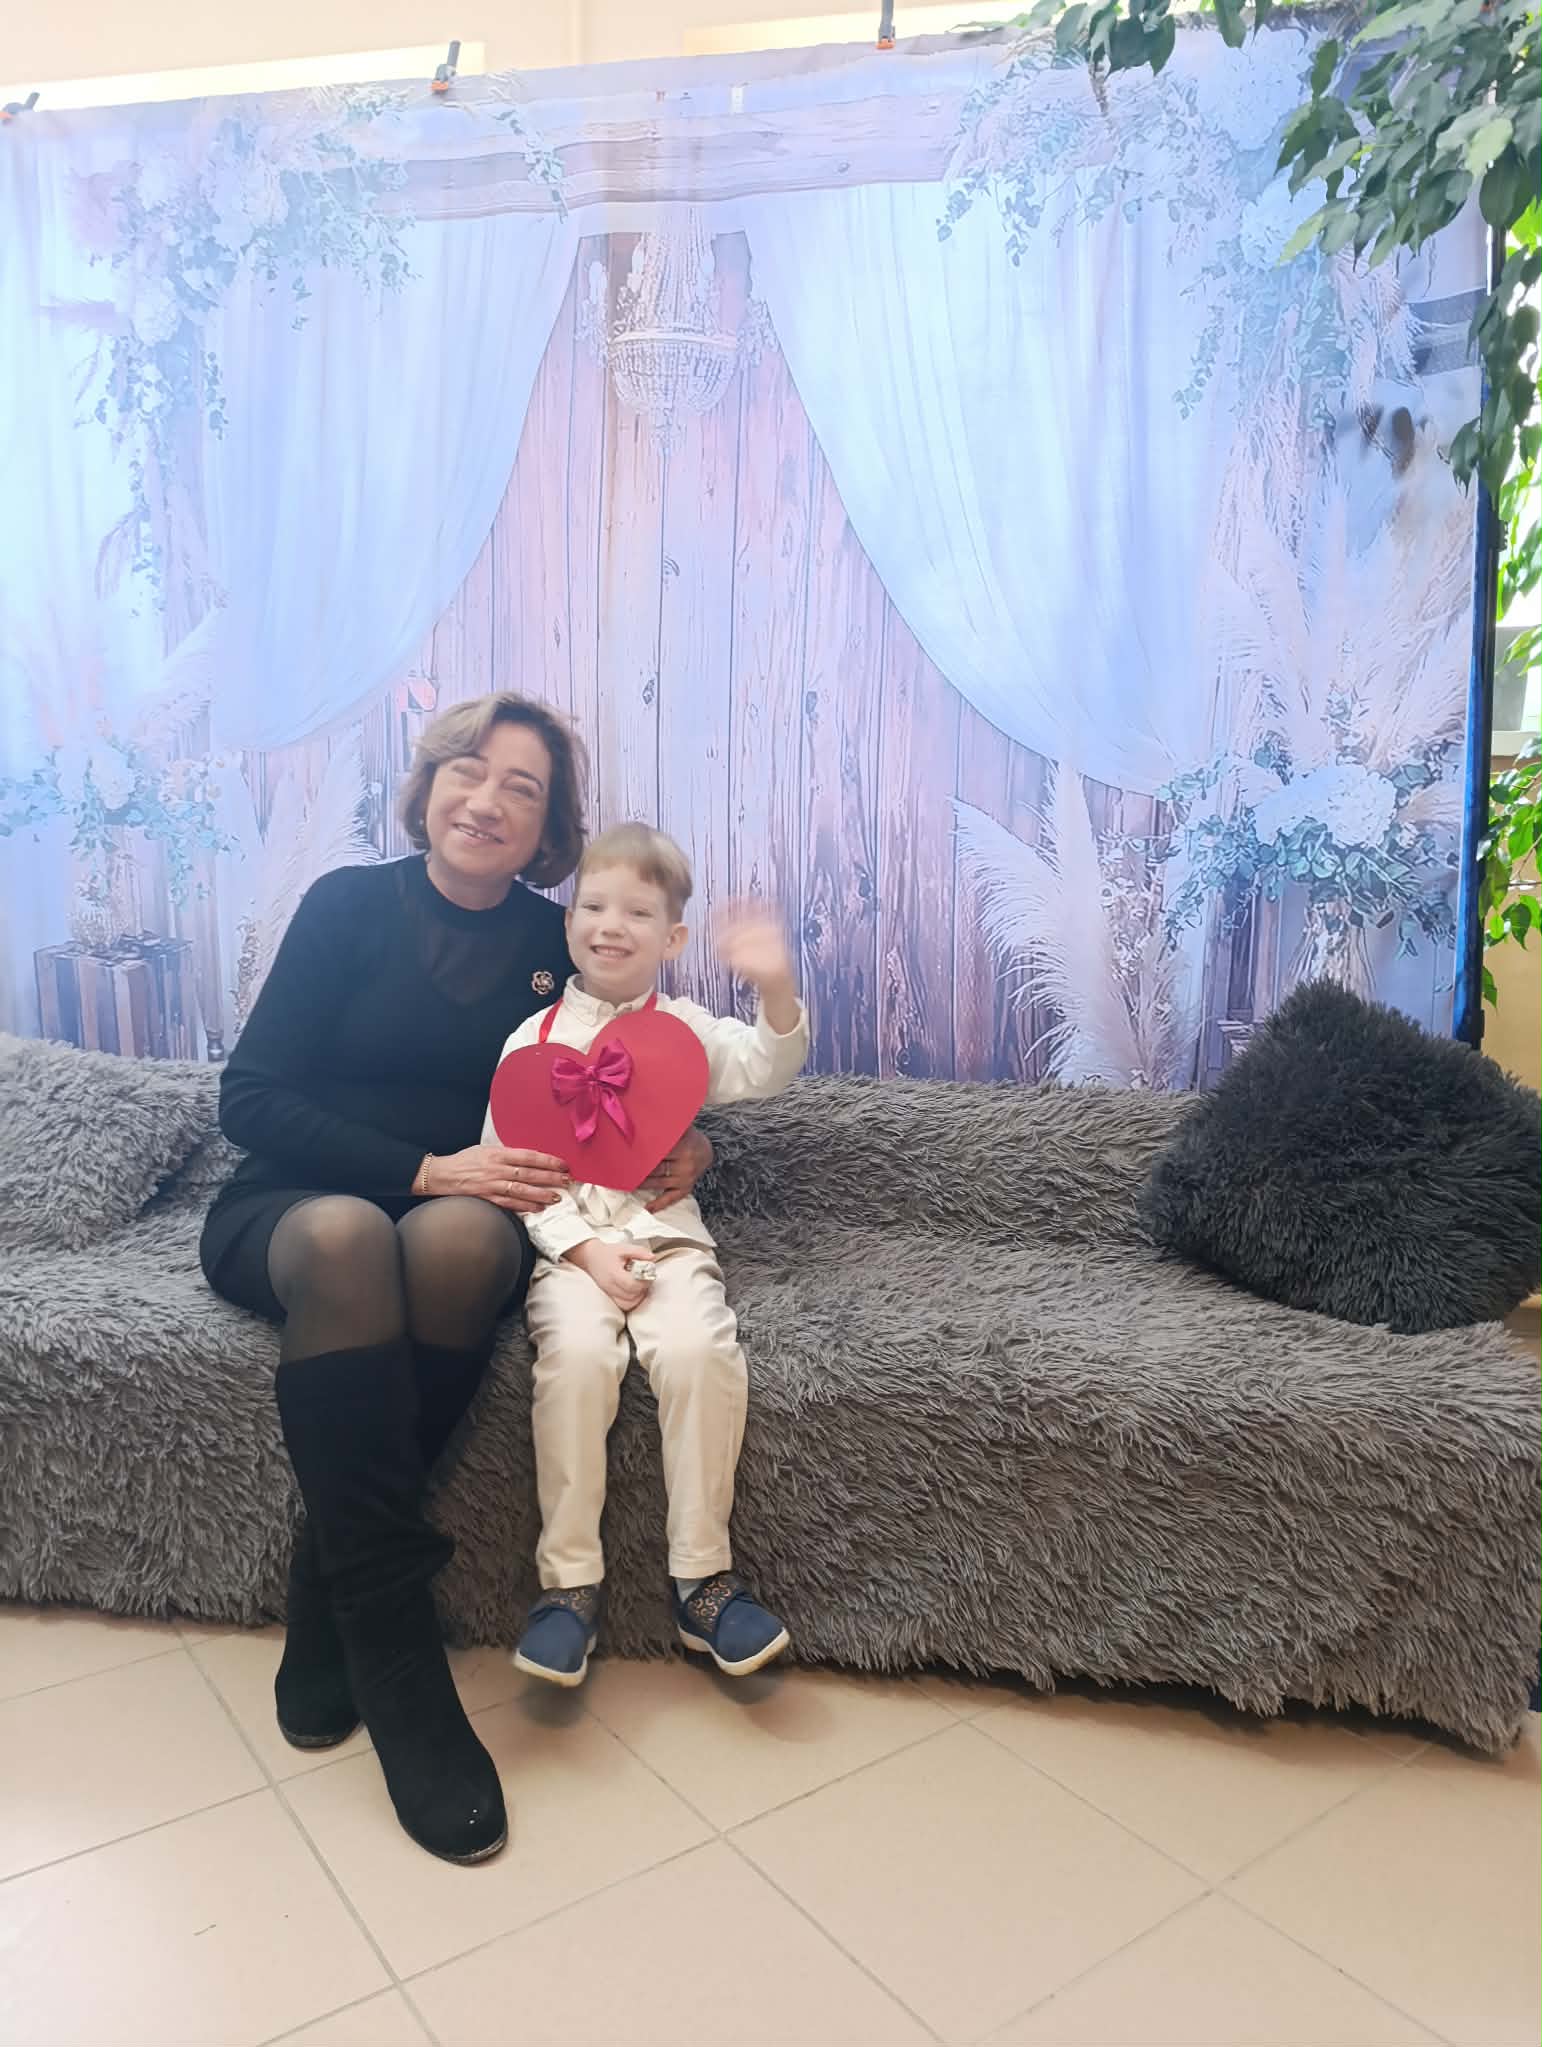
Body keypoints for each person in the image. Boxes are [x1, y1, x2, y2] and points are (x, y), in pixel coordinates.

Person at [199, 695, 714, 1865]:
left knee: (468, 1242)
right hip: (299, 1204)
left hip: (456, 1216)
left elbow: (637, 1067)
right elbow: (250, 1098)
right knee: (352, 1238)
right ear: (428, 785)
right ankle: (394, 1650)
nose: (486, 800)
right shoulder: (345, 905)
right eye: (466, 771)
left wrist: (690, 1143)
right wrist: (425, 1166)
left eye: (521, 787)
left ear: (548, 826)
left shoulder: (558, 942)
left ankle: (325, 1581)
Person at [489, 823, 808, 1689]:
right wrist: (585, 1250)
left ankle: (704, 1580)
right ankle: (567, 1587)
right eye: (593, 906)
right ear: (569, 924)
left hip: (669, 1238)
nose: (611, 925)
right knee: (577, 1359)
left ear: (672, 938)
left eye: (637, 912)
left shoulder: (687, 1030)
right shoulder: (528, 1041)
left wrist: (775, 983)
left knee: (702, 1351)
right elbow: (517, 1170)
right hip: (570, 1253)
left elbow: (766, 1065)